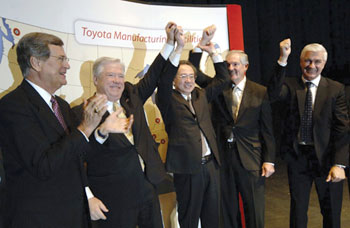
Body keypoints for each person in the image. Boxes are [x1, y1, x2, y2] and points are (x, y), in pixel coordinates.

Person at [0, 32, 130, 227]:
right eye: (60, 59)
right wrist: (85, 128)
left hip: (72, 214)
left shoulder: (61, 105)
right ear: (36, 63)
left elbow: (76, 156)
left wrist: (100, 131)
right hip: (39, 218)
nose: (67, 65)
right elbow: (43, 165)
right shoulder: (13, 106)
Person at [72, 22, 177, 228]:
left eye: (120, 75)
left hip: (147, 187)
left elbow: (154, 75)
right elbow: (78, 156)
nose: (118, 80)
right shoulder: (82, 113)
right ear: (95, 79)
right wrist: (102, 132)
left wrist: (169, 44)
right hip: (113, 196)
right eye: (111, 75)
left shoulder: (132, 98)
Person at [191, 29, 276, 228]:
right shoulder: (217, 86)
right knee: (228, 213)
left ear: (246, 66)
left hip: (251, 160)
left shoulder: (260, 91)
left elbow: (267, 130)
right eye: (228, 64)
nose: (231, 68)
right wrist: (202, 48)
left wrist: (269, 160)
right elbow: (195, 73)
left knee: (254, 212)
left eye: (235, 64)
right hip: (224, 160)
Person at [269, 39, 349, 228]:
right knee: (298, 212)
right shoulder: (290, 85)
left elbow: (342, 128)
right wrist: (283, 58)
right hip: (299, 158)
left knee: (331, 212)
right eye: (307, 61)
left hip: (327, 159)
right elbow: (272, 94)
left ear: (324, 63)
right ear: (300, 61)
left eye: (317, 61)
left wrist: (340, 164)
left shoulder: (335, 89)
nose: (311, 66)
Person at [156, 25, 229, 228]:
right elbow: (161, 81)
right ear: (174, 79)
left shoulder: (201, 95)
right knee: (188, 218)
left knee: (212, 218)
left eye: (191, 76)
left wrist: (213, 52)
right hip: (187, 169)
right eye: (183, 76)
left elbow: (223, 80)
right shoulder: (167, 100)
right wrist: (178, 48)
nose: (188, 80)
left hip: (211, 166)